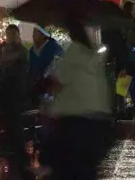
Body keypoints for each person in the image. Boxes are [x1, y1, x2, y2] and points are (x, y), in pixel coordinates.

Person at [42, 20, 115, 180]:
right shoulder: (94, 56)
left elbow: (59, 80)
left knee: (71, 168)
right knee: (87, 168)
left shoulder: (73, 54)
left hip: (73, 120)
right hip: (95, 120)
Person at [0, 25, 31, 177]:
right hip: (5, 90)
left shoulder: (21, 51)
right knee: (8, 118)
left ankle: (19, 151)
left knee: (14, 118)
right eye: (8, 34)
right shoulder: (2, 48)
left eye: (13, 34)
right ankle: (12, 147)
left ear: (17, 35)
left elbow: (16, 66)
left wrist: (1, 62)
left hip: (16, 92)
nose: (10, 37)